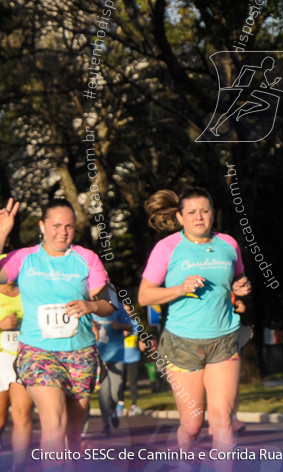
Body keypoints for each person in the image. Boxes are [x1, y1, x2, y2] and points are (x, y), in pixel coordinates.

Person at [138, 188, 251, 453]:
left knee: (222, 419)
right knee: (191, 424)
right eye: (191, 212)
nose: (199, 217)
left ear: (213, 213)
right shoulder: (167, 248)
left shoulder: (229, 244)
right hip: (182, 344)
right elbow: (144, 296)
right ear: (180, 217)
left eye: (205, 211)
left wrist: (241, 286)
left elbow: (237, 280)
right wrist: (180, 288)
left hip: (224, 339)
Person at [0, 197, 114, 455]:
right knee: (54, 422)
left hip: (80, 351)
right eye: (56, 225)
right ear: (42, 225)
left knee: (73, 434)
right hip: (38, 351)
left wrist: (91, 306)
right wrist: (2, 232)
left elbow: (108, 303)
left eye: (69, 226)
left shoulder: (87, 258)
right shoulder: (23, 258)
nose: (62, 232)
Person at [0, 259, 33, 470]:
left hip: (24, 357)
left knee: (22, 413)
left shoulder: (28, 292)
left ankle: (18, 466)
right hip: (0, 358)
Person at [93, 291, 132, 435]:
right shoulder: (92, 308)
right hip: (99, 357)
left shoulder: (118, 308)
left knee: (115, 391)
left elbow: (130, 327)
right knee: (103, 393)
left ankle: (114, 412)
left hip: (117, 355)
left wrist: (120, 325)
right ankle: (105, 424)